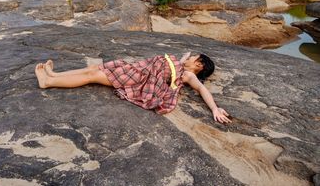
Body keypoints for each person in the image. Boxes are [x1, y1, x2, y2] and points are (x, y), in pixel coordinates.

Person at [34, 52, 232, 124]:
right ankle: (55, 75)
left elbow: (202, 89)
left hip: (137, 78)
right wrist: (182, 59)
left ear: (199, 66)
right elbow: (174, 65)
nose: (188, 58)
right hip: (136, 68)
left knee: (92, 76)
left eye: (193, 58)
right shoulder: (181, 65)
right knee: (95, 68)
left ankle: (47, 82)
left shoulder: (188, 75)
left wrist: (214, 108)